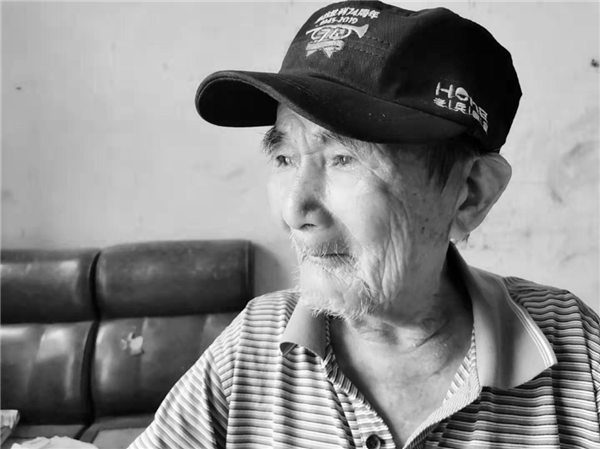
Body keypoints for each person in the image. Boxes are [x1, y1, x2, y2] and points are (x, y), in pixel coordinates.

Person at [129, 1, 600, 448]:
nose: (294, 209)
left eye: (343, 159)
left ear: (470, 194)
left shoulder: (576, 355)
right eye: (284, 157)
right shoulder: (252, 347)